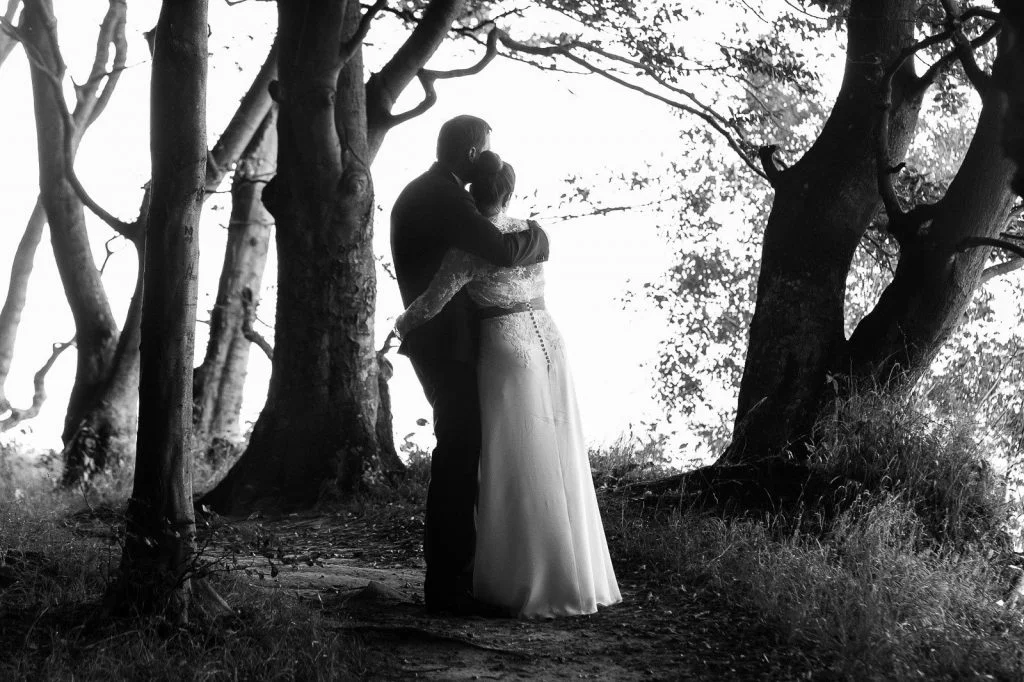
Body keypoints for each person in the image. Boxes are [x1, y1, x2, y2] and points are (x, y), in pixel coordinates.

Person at [395, 150, 621, 618]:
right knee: (558, 454)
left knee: (514, 461)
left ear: (471, 194)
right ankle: (574, 571)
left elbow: (431, 304)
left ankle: (522, 578)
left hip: (505, 350)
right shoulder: (534, 233)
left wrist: (401, 323)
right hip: (550, 341)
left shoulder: (467, 249)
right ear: (509, 191)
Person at [390, 115, 550, 615]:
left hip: (448, 341)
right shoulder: (443, 196)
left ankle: (459, 577)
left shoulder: (432, 189)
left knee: (463, 453)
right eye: (485, 150)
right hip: (444, 344)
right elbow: (500, 248)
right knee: (458, 456)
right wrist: (541, 238)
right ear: (473, 153)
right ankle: (446, 586)